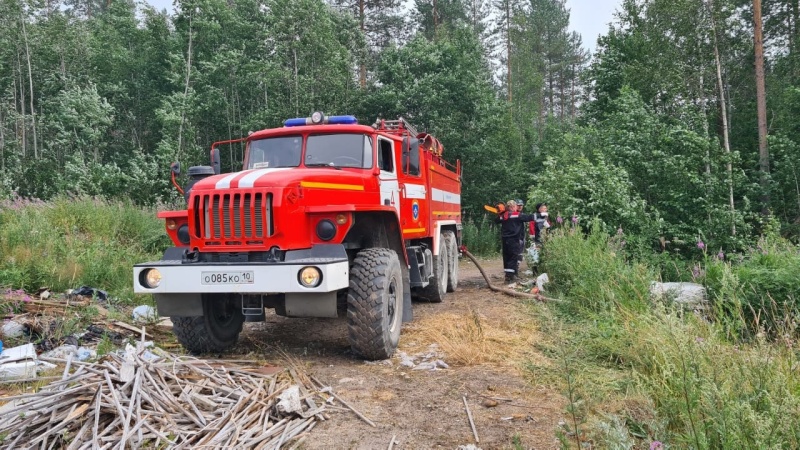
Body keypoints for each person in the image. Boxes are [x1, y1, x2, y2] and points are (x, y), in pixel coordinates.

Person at [495, 200, 535, 283]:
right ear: (513, 207)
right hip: (514, 239)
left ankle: (509, 275)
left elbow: (496, 220)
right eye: (516, 206)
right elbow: (528, 217)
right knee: (514, 257)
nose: (518, 207)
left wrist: (500, 213)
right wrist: (540, 215)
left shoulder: (503, 216)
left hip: (505, 239)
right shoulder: (516, 215)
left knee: (507, 257)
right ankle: (510, 276)